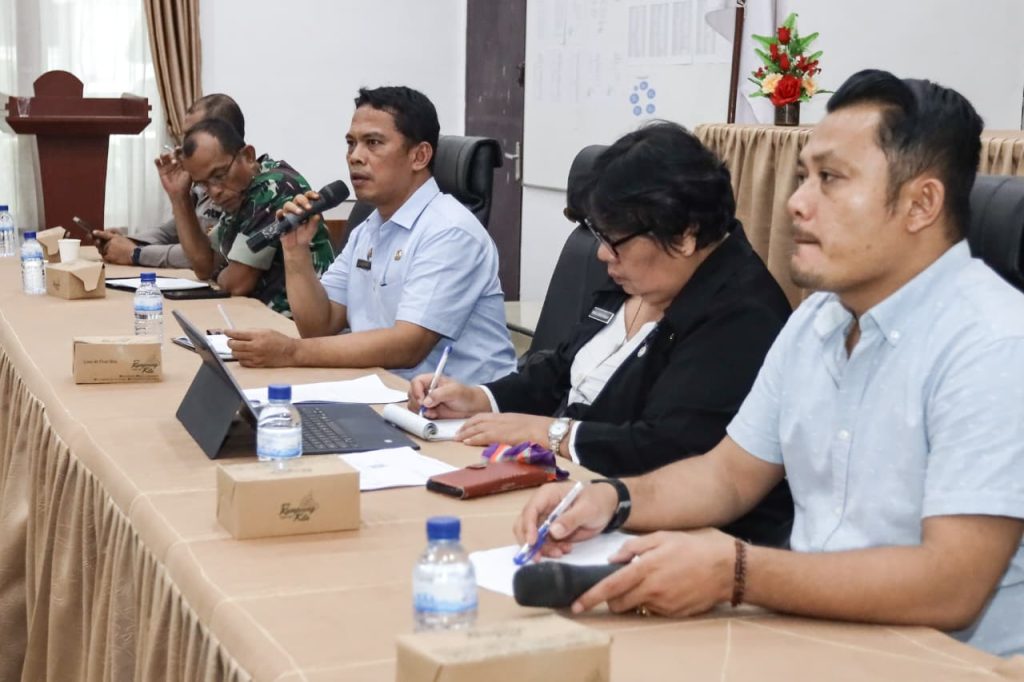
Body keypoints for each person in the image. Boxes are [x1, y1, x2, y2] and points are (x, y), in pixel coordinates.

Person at [513, 70, 1024, 658]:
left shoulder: (993, 344)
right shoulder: (817, 322)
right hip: (810, 631)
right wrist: (612, 500)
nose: (797, 203)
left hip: (946, 661)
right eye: (804, 176)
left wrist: (737, 573)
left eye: (830, 179)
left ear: (920, 204)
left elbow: (950, 584)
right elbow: (726, 476)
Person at [408, 122, 793, 546]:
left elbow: (667, 447)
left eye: (614, 239)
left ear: (683, 237)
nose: (602, 253)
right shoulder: (643, 276)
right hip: (573, 488)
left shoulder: (740, 316)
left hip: (669, 533)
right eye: (598, 234)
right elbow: (561, 367)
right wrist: (480, 397)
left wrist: (549, 432)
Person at [223, 86, 517, 385]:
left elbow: (408, 346)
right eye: (351, 144)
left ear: (419, 156)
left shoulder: (450, 231)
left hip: (461, 411)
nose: (355, 157)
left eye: (373, 143)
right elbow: (319, 326)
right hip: (385, 389)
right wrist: (295, 252)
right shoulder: (369, 228)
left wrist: (291, 352)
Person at [155, 118, 335, 315]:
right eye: (203, 184)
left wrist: (222, 274)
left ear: (248, 156)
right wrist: (179, 198)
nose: (214, 192)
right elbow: (204, 265)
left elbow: (237, 283)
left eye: (219, 175)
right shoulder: (240, 191)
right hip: (261, 317)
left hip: (297, 326)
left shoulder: (274, 186)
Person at [93, 93, 244, 268]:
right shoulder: (203, 188)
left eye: (191, 136)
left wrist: (134, 253)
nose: (182, 146)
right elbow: (169, 232)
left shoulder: (239, 189)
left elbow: (205, 257)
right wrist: (124, 241)